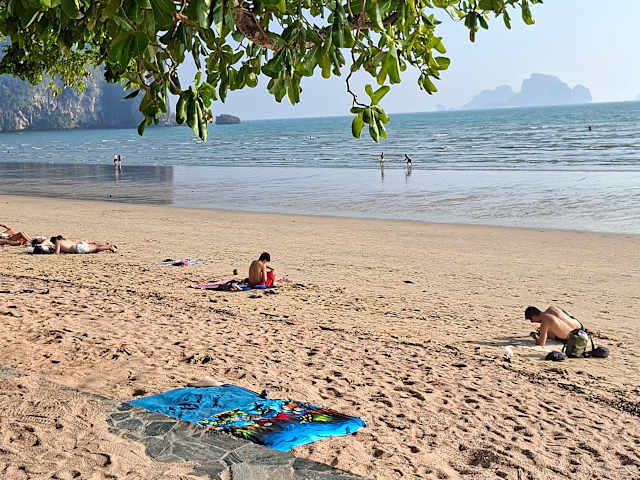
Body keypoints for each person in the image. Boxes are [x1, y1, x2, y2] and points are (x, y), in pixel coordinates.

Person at [50, 235, 117, 254]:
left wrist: (53, 251)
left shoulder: (57, 242)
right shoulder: (65, 239)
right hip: (79, 244)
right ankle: (107, 245)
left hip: (78, 248)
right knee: (95, 245)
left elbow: (57, 252)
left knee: (96, 249)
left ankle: (109, 247)